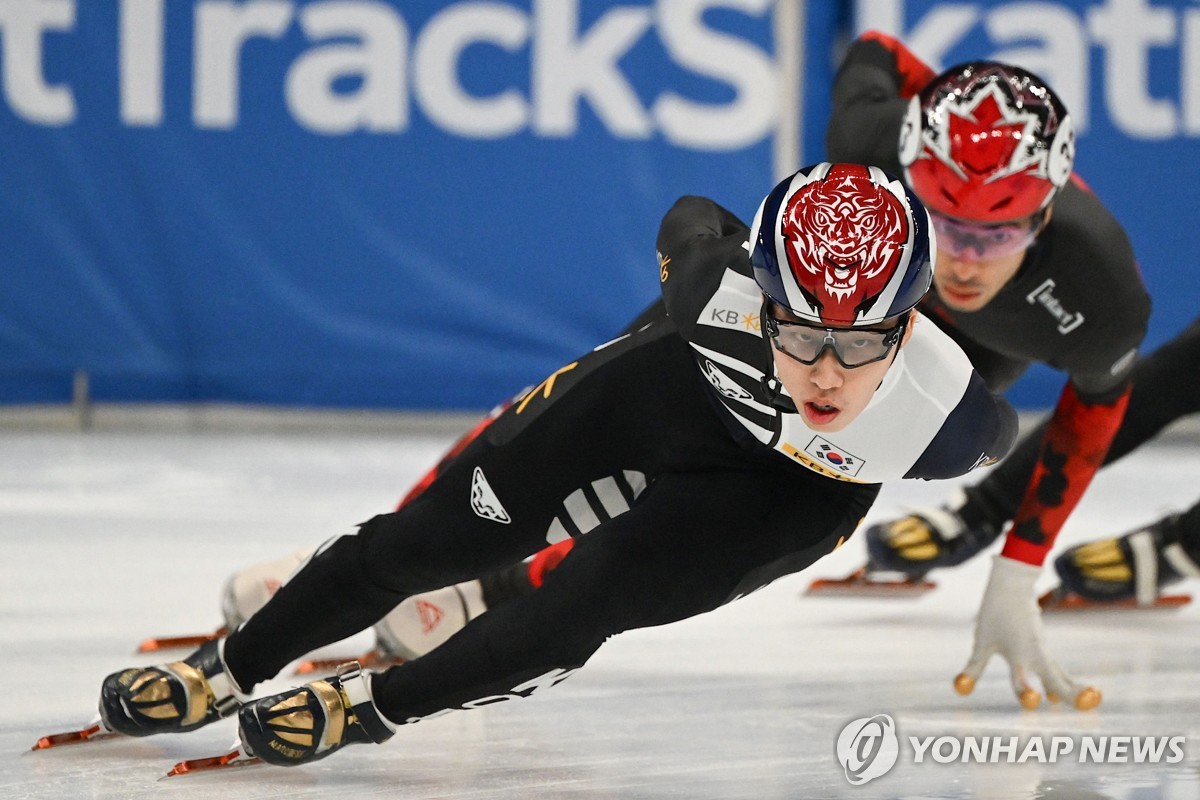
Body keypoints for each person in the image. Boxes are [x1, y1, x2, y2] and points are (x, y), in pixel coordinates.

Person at [216, 36, 1158, 705]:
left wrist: (1017, 570)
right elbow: (872, 48)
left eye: (995, 230)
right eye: (941, 214)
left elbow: (1094, 412)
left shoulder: (1099, 292)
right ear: (905, 164)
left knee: (700, 514)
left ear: (1044, 217)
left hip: (920, 370)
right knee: (585, 404)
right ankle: (396, 566)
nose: (960, 256)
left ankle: (493, 597)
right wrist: (941, 88)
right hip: (801, 299)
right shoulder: (874, 142)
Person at [97, 162, 1019, 767]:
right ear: (761, 298)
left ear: (907, 328)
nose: (825, 371)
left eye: (861, 346)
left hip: (787, 495)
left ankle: (372, 707)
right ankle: (228, 666)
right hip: (673, 399)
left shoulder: (948, 424)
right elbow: (690, 216)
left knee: (589, 600)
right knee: (424, 544)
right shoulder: (714, 290)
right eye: (803, 331)